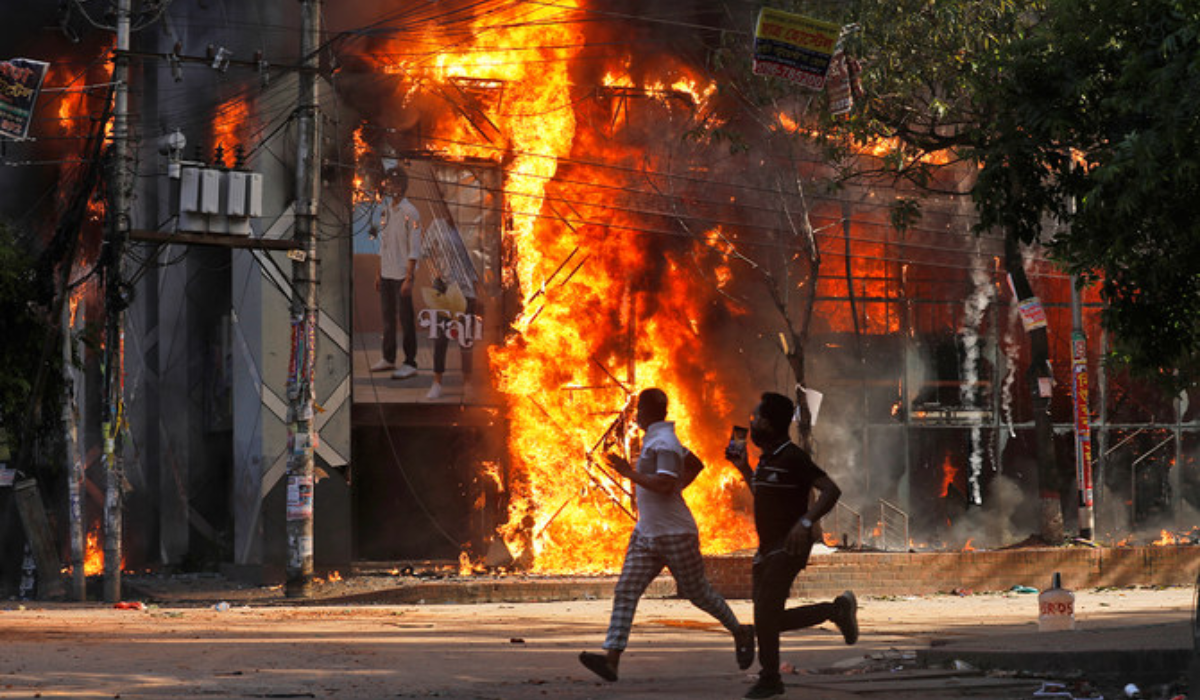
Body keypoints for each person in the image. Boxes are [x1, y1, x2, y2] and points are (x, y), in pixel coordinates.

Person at [579, 388, 755, 682]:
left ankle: (741, 631)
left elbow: (662, 485)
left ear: (646, 413)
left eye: (638, 411)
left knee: (699, 594)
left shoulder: (664, 443)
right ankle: (611, 660)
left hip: (675, 534)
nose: (635, 416)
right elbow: (695, 465)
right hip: (646, 533)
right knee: (626, 590)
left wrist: (628, 473)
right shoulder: (658, 439)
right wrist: (676, 488)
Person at [725, 391, 859, 699]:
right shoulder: (768, 459)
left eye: (756, 418)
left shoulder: (793, 457)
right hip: (766, 549)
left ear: (770, 425)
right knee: (768, 618)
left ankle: (770, 678)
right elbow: (766, 496)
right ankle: (836, 611)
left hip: (789, 548)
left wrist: (806, 523)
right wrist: (744, 469)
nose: (752, 422)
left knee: (765, 616)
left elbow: (830, 490)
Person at [368, 168, 423, 380]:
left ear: (401, 185)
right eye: (388, 183)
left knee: (406, 319)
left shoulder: (411, 212)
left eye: (393, 183)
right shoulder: (386, 211)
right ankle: (388, 358)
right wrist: (378, 273)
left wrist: (409, 278)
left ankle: (410, 362)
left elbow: (414, 247)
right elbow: (384, 245)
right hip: (387, 273)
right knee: (388, 319)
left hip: (402, 275)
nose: (389, 187)